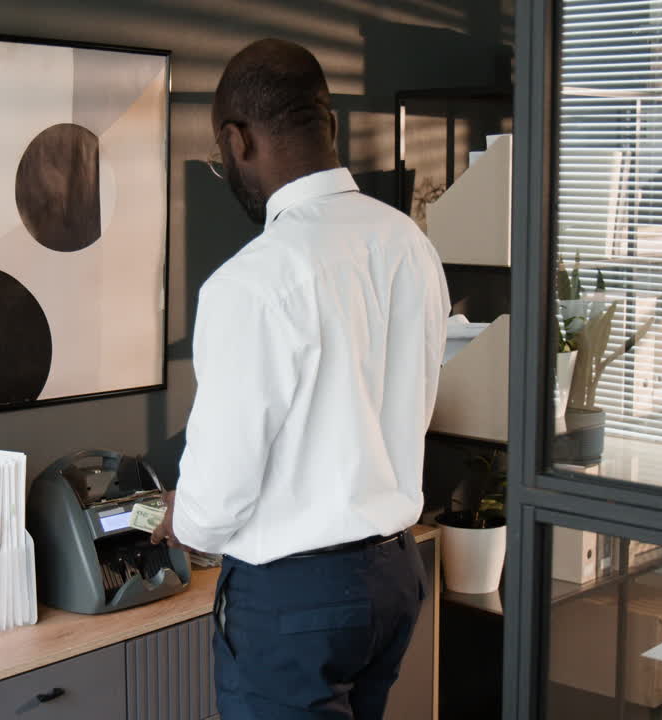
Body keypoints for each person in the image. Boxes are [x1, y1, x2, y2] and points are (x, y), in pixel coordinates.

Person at [151, 38, 451, 720]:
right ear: (332, 126)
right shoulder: (408, 243)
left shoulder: (252, 283)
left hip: (296, 598)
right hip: (394, 576)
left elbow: (217, 498)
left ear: (236, 141)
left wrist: (180, 515)